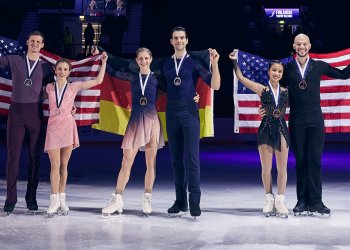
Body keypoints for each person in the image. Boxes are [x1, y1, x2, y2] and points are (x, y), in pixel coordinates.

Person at [100, 47, 200, 217]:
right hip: (135, 122)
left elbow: (179, 88)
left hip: (152, 123)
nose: (144, 61)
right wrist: (104, 59)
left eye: (146, 58)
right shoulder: (132, 77)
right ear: (137, 60)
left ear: (151, 59)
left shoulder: (158, 79)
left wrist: (194, 95)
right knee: (126, 161)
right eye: (140, 59)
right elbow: (114, 72)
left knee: (150, 163)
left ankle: (147, 197)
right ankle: (117, 199)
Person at [261, 34, 350, 216]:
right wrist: (267, 108)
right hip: (297, 121)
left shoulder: (319, 65)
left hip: (316, 120)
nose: (301, 47)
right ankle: (302, 201)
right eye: (298, 44)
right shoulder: (287, 69)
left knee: (315, 161)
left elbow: (342, 75)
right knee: (301, 161)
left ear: (309, 46)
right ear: (294, 46)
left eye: (304, 44)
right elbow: (274, 86)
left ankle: (316, 202)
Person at [162, 26, 220, 218]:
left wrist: (215, 63)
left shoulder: (194, 63)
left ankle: (194, 201)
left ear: (187, 41)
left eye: (182, 38)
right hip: (171, 115)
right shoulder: (165, 64)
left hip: (189, 115)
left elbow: (215, 85)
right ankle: (180, 202)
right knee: (176, 160)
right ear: (171, 41)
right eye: (175, 38)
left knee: (192, 159)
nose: (179, 41)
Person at [45, 51, 108, 217]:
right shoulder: (49, 87)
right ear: (55, 70)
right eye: (59, 68)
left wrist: (103, 62)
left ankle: (62, 198)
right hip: (52, 127)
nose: (62, 71)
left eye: (65, 69)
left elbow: (98, 81)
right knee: (54, 166)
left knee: (64, 166)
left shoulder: (74, 86)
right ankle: (54, 200)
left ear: (69, 72)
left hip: (67, 127)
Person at [229, 50, 290, 217]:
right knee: (266, 168)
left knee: (282, 168)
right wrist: (235, 61)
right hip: (265, 130)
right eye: (274, 70)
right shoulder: (261, 89)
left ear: (282, 74)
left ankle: (280, 200)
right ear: (269, 72)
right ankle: (269, 198)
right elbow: (242, 78)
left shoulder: (286, 92)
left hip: (282, 130)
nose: (276, 73)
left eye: (279, 71)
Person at [0, 31, 54, 215]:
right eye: (32, 41)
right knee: (12, 158)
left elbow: (56, 90)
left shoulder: (47, 68)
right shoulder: (14, 59)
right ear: (27, 42)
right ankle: (10, 199)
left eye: (38, 42)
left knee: (34, 157)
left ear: (42, 45)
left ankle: (31, 198)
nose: (35, 44)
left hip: (35, 114)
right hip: (15, 113)